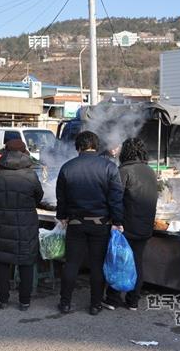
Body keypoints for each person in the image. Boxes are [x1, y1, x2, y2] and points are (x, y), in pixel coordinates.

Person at [56, 131, 124, 315]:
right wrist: (118, 221)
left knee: (71, 264)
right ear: (96, 146)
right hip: (100, 224)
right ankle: (95, 305)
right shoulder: (109, 167)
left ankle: (65, 303)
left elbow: (60, 197)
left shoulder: (67, 167)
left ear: (78, 147)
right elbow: (116, 198)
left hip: (76, 224)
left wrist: (62, 216)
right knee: (97, 265)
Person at [0, 139, 43, 311]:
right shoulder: (31, 175)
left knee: (2, 261)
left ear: (5, 153)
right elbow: (38, 197)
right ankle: (24, 301)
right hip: (25, 223)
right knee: (26, 262)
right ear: (24, 153)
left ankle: (3, 300)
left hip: (0, 222)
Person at [103, 138, 158, 311]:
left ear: (126, 151)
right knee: (137, 262)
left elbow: (115, 199)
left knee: (119, 260)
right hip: (145, 225)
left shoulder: (123, 170)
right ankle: (133, 301)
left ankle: (112, 299)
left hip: (125, 225)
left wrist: (116, 221)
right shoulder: (150, 171)